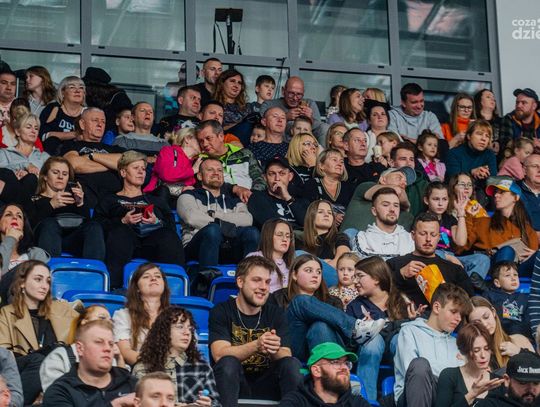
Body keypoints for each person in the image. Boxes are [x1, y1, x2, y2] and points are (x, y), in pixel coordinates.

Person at [209, 255, 303, 407]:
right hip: (234, 383)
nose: (264, 287)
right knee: (228, 363)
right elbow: (219, 354)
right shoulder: (221, 311)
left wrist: (273, 349)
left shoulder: (276, 313)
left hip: (268, 383)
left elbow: (286, 354)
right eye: (257, 280)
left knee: (292, 365)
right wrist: (257, 345)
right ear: (240, 282)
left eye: (267, 282)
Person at [268, 254, 385, 362]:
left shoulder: (333, 301)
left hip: (331, 348)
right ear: (294, 275)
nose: (315, 275)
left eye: (319, 272)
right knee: (300, 301)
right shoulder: (277, 298)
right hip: (295, 349)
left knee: (320, 326)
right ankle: (355, 327)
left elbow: (341, 337)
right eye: (308, 270)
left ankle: (331, 367)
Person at [94, 151, 184, 288]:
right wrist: (122, 221)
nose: (141, 172)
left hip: (151, 242)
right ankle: (115, 288)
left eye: (143, 169)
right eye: (136, 168)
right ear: (123, 172)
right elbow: (97, 224)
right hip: (122, 243)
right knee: (120, 233)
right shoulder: (109, 199)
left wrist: (156, 222)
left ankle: (174, 287)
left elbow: (171, 226)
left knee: (168, 236)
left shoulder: (156, 201)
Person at [0, 260, 79, 404]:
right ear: (22, 283)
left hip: (59, 374)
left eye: (48, 281)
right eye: (38, 279)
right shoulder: (6, 313)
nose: (44, 286)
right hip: (23, 374)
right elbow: (5, 358)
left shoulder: (63, 309)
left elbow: (87, 326)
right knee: (39, 360)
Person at [393, 283, 473, 407]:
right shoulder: (409, 332)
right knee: (420, 365)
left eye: (461, 314)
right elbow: (414, 375)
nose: (458, 318)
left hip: (448, 398)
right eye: (453, 311)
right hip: (413, 395)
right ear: (436, 307)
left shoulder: (457, 343)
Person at [177, 157, 259, 267]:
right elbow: (192, 218)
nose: (216, 173)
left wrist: (215, 215)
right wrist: (226, 226)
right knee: (213, 230)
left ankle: (250, 273)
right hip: (197, 247)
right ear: (200, 176)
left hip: (228, 245)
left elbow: (247, 220)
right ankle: (208, 275)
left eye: (219, 170)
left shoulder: (234, 200)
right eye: (210, 170)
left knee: (252, 232)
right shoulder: (188, 195)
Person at [133, 306, 220, 406]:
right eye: (180, 327)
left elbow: (216, 403)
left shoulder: (202, 367)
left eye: (190, 328)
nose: (187, 332)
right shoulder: (142, 367)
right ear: (164, 331)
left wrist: (210, 404)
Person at [387, 212, 474, 309]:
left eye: (433, 234)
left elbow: (469, 303)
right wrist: (400, 275)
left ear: (439, 237)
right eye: (423, 234)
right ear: (413, 235)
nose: (428, 239)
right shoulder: (394, 264)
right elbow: (379, 293)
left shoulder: (455, 270)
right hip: (407, 316)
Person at [42, 319, 137, 407]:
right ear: (80, 348)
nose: (108, 348)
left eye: (111, 344)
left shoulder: (130, 383)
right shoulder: (61, 391)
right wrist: (115, 404)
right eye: (99, 342)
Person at [457, 178, 538, 277]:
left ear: (516, 197)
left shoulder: (526, 227)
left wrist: (536, 254)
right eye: (495, 192)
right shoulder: (483, 222)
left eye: (502, 192)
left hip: (519, 269)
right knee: (507, 250)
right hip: (494, 268)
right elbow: (460, 248)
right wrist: (466, 217)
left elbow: (533, 252)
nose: (496, 195)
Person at [30, 156, 105, 259]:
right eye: (55, 172)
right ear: (45, 176)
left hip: (72, 240)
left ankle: (94, 268)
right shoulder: (34, 199)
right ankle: (49, 267)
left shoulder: (74, 199)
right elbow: (30, 227)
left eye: (65, 174)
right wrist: (51, 205)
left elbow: (87, 226)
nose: (60, 177)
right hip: (45, 240)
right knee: (50, 223)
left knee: (94, 226)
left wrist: (80, 204)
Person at [39, 305, 125, 392]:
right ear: (84, 323)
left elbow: (124, 390)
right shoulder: (60, 357)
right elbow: (56, 395)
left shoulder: (111, 355)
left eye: (111, 321)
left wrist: (119, 359)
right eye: (102, 318)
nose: (108, 323)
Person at [424, 181, 491, 287]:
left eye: (444, 199)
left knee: (483, 259)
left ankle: (466, 287)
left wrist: (461, 214)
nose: (440, 203)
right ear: (426, 200)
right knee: (436, 255)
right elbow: (423, 247)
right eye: (436, 199)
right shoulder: (422, 219)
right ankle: (463, 286)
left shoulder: (449, 219)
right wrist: (448, 257)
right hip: (433, 256)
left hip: (453, 258)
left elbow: (460, 242)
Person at [61, 107, 125, 207]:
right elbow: (75, 165)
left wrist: (91, 156)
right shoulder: (71, 145)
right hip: (83, 201)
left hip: (114, 202)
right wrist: (112, 165)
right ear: (82, 124)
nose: (100, 124)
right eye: (95, 120)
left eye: (103, 122)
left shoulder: (114, 148)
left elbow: (125, 162)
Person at [278, 342, 372, 407]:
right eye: (335, 362)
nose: (344, 367)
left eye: (346, 363)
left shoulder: (357, 403)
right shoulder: (295, 402)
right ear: (316, 371)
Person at [113, 262, 171, 366]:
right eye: (146, 276)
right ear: (137, 288)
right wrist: (154, 365)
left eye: (158, 276)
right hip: (140, 369)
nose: (153, 278)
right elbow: (125, 351)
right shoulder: (123, 315)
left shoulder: (176, 316)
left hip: (174, 370)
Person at [435, 322, 505, 407]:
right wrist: (471, 395)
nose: (483, 355)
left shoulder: (499, 382)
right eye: (476, 350)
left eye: (487, 349)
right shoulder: (449, 376)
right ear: (465, 351)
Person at [196, 120, 266, 198]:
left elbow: (259, 178)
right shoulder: (201, 161)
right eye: (201, 141)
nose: (205, 144)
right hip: (222, 202)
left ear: (221, 136)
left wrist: (252, 196)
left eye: (208, 138)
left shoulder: (244, 154)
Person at [341, 166, 415, 233]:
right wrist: (407, 205)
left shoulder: (404, 215)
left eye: (405, 182)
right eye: (399, 178)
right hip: (347, 240)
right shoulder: (366, 186)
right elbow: (397, 191)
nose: (404, 183)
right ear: (383, 180)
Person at [0, 108, 49, 205]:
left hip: (36, 200)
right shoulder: (4, 153)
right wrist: (24, 166)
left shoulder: (44, 157)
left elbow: (52, 177)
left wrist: (33, 176)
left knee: (30, 179)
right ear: (18, 132)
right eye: (28, 127)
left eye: (36, 128)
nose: (33, 131)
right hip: (8, 201)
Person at [468, 296, 533, 368]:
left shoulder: (518, 340)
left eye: (486, 317)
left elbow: (537, 368)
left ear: (493, 312)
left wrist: (519, 352)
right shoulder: (472, 355)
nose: (485, 324)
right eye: (477, 323)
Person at [297, 200, 351, 286]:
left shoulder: (338, 237)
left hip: (334, 280)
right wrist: (325, 262)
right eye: (320, 212)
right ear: (311, 216)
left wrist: (322, 264)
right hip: (308, 282)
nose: (326, 215)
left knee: (299, 255)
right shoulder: (300, 241)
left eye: (330, 213)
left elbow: (344, 261)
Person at [352, 187, 414, 261]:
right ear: (374, 211)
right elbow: (365, 263)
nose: (392, 209)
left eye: (396, 205)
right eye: (385, 205)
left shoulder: (411, 238)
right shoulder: (362, 237)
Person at [247, 156, 309, 230]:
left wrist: (288, 198)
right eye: (272, 174)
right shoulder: (257, 198)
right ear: (265, 177)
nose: (277, 178)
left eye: (282, 173)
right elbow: (272, 225)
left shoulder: (301, 200)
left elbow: (309, 224)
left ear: (290, 176)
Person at [260, 76, 328, 143]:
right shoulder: (269, 105)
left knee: (325, 127)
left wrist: (310, 119)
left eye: (299, 94)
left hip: (305, 143)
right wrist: (285, 117)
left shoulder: (309, 104)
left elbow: (319, 128)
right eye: (291, 93)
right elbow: (261, 126)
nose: (295, 98)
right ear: (283, 91)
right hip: (280, 142)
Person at [143, 127, 201, 205]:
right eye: (199, 140)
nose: (202, 143)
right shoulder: (168, 151)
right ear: (187, 139)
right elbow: (166, 175)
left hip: (180, 202)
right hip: (157, 197)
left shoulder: (196, 162)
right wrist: (192, 171)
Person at [0, 204, 49, 295]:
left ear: (23, 225)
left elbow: (42, 281)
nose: (15, 218)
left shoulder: (36, 253)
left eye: (19, 216)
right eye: (8, 214)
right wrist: (10, 239)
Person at [303, 149, 355, 224]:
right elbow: (308, 212)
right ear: (321, 165)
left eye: (341, 162)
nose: (339, 164)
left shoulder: (349, 187)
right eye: (334, 160)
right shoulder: (311, 185)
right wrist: (331, 217)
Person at [39, 76, 86, 155]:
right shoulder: (53, 108)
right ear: (63, 92)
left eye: (81, 88)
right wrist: (75, 134)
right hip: (54, 154)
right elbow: (43, 135)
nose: (77, 91)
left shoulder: (88, 112)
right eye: (72, 87)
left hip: (79, 154)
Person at [446, 120, 498, 191]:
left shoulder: (490, 154)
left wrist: (485, 176)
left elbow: (493, 183)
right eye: (479, 134)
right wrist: (472, 172)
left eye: (487, 136)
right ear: (469, 136)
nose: (483, 139)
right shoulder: (454, 153)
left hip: (481, 192)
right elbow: (454, 182)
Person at [475, 350, 540, 407]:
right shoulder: (489, 404)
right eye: (523, 383)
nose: (530, 389)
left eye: (536, 383)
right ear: (507, 380)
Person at [484, 261, 531, 339]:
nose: (513, 278)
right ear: (497, 283)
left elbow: (529, 321)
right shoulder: (490, 295)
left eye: (515, 275)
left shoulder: (525, 297)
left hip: (523, 336)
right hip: (499, 335)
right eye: (507, 275)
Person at [247, 219, 295, 293]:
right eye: (279, 235)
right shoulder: (255, 257)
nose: (285, 239)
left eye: (288, 236)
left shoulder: (292, 263)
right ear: (268, 236)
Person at [390, 141, 430, 217]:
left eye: (411, 159)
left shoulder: (425, 185)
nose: (409, 163)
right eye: (403, 159)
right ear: (392, 163)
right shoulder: (384, 181)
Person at [499, 88, 540, 153]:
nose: (518, 105)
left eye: (524, 103)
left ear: (534, 106)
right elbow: (506, 146)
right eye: (517, 102)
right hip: (516, 157)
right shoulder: (509, 118)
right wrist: (533, 145)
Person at [518, 154, 540, 240]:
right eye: (535, 166)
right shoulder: (514, 190)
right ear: (524, 170)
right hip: (525, 241)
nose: (539, 170)